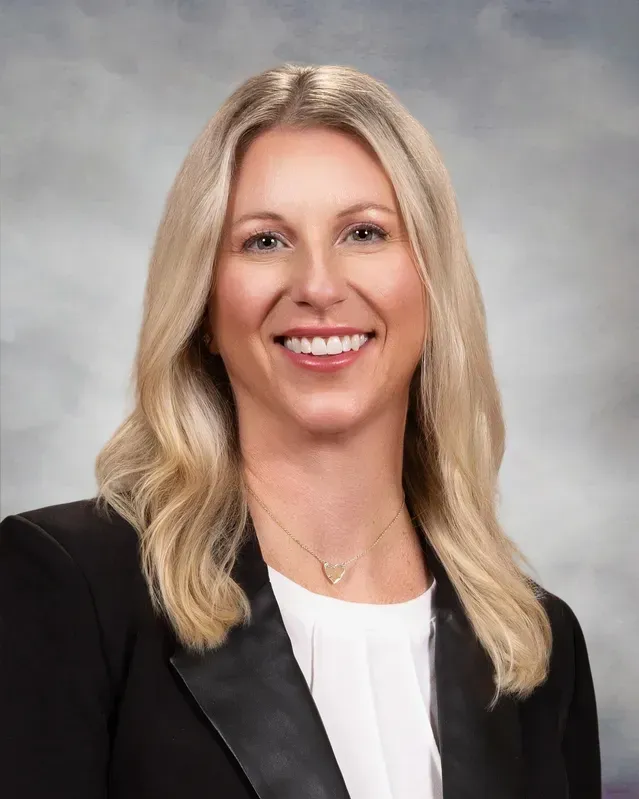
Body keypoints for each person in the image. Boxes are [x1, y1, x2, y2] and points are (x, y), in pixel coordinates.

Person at [0, 63, 601, 799]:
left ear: (430, 286)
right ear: (204, 305)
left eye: (363, 232)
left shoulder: (535, 642)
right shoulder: (66, 586)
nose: (317, 285)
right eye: (263, 242)